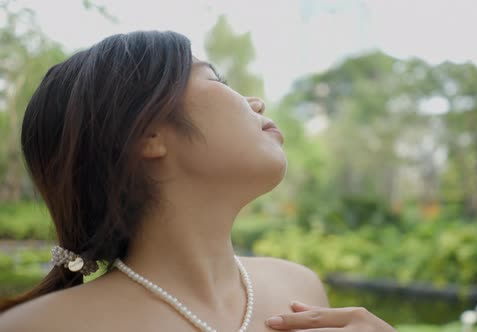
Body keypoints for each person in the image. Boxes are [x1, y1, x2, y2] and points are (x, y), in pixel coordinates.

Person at [0, 30, 396, 332]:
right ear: (147, 135)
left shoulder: (300, 289)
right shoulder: (38, 327)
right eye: (217, 80)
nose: (256, 102)